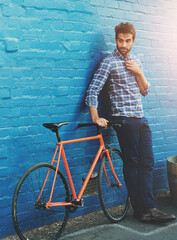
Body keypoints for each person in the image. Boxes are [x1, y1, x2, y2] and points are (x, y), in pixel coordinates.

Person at [85, 22, 176, 223]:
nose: (123, 44)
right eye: (120, 40)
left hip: (140, 118)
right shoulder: (109, 62)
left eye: (127, 41)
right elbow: (93, 90)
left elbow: (145, 91)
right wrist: (95, 117)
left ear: (133, 41)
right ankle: (142, 209)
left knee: (148, 163)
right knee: (133, 163)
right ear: (116, 39)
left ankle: (149, 207)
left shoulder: (136, 62)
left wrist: (138, 72)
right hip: (124, 120)